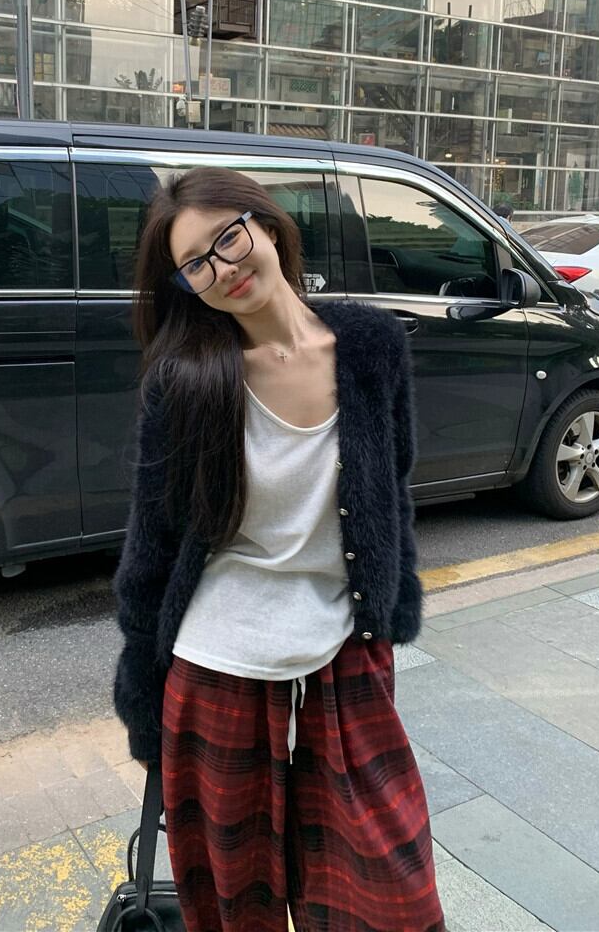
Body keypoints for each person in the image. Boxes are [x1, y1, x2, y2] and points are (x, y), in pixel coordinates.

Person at [112, 167, 446, 932]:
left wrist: (392, 612)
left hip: (346, 664)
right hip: (216, 680)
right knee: (239, 913)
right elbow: (150, 552)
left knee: (391, 903)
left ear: (264, 224)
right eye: (195, 264)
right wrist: (144, 709)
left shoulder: (370, 346)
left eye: (227, 239)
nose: (222, 269)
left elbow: (393, 491)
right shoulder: (187, 382)